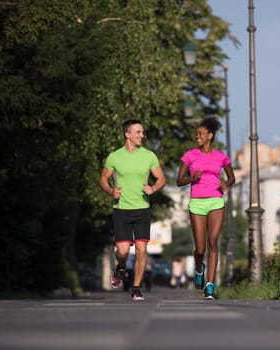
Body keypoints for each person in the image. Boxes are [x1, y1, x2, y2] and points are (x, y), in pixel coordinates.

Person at [100, 119, 166, 301]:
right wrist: (110, 191)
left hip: (142, 209)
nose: (141, 135)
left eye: (142, 132)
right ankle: (120, 268)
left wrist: (153, 188)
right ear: (127, 134)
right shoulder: (114, 157)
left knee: (141, 250)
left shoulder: (149, 156)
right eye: (138, 132)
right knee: (122, 251)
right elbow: (103, 179)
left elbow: (161, 178)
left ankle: (136, 288)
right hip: (121, 209)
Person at [176, 117, 235, 300]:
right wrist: (192, 179)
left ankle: (210, 286)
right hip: (197, 202)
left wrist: (225, 184)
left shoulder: (221, 156)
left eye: (201, 134)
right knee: (200, 248)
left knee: (213, 241)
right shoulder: (190, 155)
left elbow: (231, 177)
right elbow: (178, 181)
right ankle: (199, 268)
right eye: (197, 134)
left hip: (216, 201)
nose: (197, 137)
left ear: (210, 135)